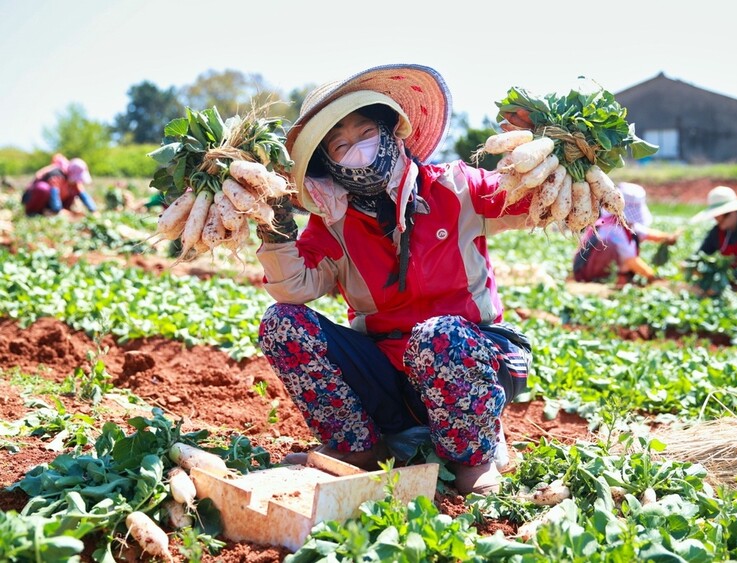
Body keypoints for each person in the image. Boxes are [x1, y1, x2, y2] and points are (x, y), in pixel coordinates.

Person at [223, 64, 579, 495]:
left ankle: (472, 460)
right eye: (341, 145)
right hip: (388, 370)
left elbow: (529, 202)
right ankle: (358, 447)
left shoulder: (456, 187)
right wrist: (276, 228)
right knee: (282, 323)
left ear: (392, 131)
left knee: (439, 335)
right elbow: (293, 288)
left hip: (472, 355)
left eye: (366, 132)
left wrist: (557, 154)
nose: (358, 149)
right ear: (327, 164)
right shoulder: (333, 223)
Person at [572, 182, 679, 284]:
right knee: (611, 248)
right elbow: (630, 260)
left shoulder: (626, 225)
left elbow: (646, 233)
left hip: (604, 267)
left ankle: (618, 276)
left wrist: (667, 237)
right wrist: (651, 276)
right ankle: (606, 278)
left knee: (632, 240)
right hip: (587, 271)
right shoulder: (613, 229)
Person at [22, 155, 98, 216]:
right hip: (34, 199)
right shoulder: (57, 176)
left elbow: (83, 195)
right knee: (42, 188)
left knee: (73, 191)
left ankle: (52, 212)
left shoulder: (74, 182)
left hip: (51, 203)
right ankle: (33, 213)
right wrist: (57, 210)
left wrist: (93, 210)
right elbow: (54, 196)